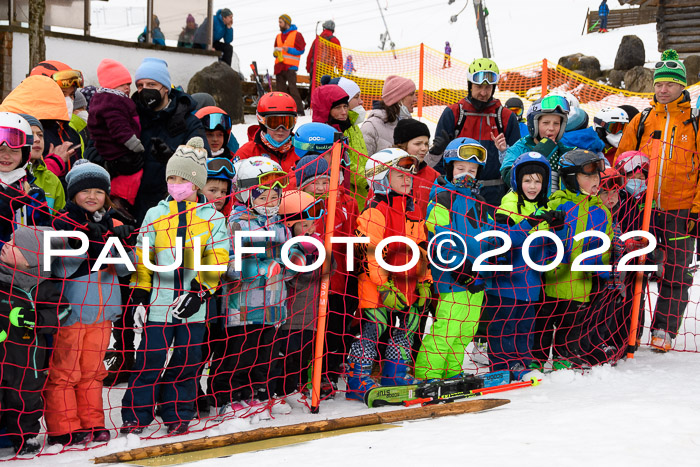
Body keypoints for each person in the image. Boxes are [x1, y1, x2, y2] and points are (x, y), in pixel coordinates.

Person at [120, 137, 227, 435]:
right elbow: (144, 253)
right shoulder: (156, 214)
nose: (175, 184)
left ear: (196, 184)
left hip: (193, 308)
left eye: (182, 179)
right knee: (150, 359)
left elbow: (217, 257)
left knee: (187, 361)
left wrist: (200, 291)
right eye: (172, 178)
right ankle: (136, 415)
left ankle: (178, 412)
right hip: (159, 303)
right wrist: (140, 290)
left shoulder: (213, 218)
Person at [45, 161, 134, 446]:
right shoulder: (61, 223)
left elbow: (125, 270)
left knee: (94, 370)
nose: (92, 196)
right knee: (66, 369)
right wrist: (83, 245)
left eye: (98, 191)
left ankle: (92, 421)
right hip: (71, 310)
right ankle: (63, 425)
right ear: (73, 194)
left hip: (103, 310)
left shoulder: (113, 222)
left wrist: (121, 243)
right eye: (85, 191)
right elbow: (58, 269)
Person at [616, 49, 700, 352]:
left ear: (682, 86)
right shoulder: (642, 120)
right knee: (633, 265)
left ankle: (664, 329)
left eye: (669, 84)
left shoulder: (694, 122)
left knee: (677, 270)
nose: (662, 90)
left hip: (680, 208)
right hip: (642, 208)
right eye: (658, 84)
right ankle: (628, 327)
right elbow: (622, 160)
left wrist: (697, 209)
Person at [214, 157, 296, 420]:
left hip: (273, 305)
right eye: (263, 196)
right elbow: (228, 265)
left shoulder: (281, 225)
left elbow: (288, 260)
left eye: (276, 195)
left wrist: (295, 261)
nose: (271, 201)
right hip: (244, 306)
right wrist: (261, 269)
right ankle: (230, 397)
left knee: (267, 353)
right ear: (247, 194)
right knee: (240, 354)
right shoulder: (236, 223)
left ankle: (261, 393)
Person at [346, 148, 429, 399]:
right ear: (381, 177)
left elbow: (421, 248)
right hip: (376, 285)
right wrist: (383, 286)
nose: (408, 178)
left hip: (408, 283)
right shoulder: (374, 211)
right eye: (400, 174)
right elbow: (370, 253)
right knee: (374, 329)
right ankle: (358, 378)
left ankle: (396, 372)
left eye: (411, 173)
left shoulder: (412, 211)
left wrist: (425, 281)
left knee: (408, 327)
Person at [414, 138, 490, 381]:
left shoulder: (480, 203)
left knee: (465, 331)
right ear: (449, 168)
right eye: (460, 169)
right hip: (453, 278)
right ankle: (429, 374)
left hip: (477, 279)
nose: (466, 175)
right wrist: (460, 268)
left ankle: (452, 372)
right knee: (446, 329)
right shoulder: (443, 197)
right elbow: (439, 236)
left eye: (472, 170)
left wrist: (486, 267)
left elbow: (487, 238)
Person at [533, 149, 612, 369]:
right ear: (570, 178)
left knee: (571, 328)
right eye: (587, 175)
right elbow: (536, 234)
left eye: (597, 175)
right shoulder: (557, 205)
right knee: (543, 326)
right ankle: (536, 361)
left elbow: (605, 245)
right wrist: (550, 224)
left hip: (581, 285)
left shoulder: (602, 212)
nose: (595, 179)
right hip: (552, 284)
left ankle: (564, 360)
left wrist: (602, 272)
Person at [487, 152, 562, 378]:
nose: (532, 186)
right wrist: (530, 222)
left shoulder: (543, 208)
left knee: (525, 329)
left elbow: (552, 253)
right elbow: (504, 243)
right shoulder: (506, 207)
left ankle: (522, 364)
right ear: (517, 182)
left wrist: (559, 229)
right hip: (507, 286)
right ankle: (501, 367)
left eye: (538, 181)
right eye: (527, 180)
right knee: (504, 328)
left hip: (531, 285)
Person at [0, 226, 71, 455]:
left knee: (27, 399)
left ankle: (27, 436)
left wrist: (36, 318)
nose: (6, 244)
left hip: (28, 361)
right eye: (10, 239)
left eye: (14, 244)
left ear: (31, 259)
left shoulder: (43, 288)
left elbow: (63, 311)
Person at [425, 58, 520, 209]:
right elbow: (438, 161)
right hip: (458, 192)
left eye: (488, 87)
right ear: (470, 85)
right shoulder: (454, 113)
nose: (483, 92)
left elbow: (516, 160)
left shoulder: (506, 117)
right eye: (479, 86)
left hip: (495, 194)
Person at [130, 57, 208, 224]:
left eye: (151, 85)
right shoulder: (129, 117)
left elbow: (202, 159)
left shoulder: (188, 121)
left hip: (173, 207)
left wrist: (172, 158)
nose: (144, 90)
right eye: (140, 86)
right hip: (132, 206)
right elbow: (96, 147)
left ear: (165, 88)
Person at [275, 190, 327, 396]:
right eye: (304, 225)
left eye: (313, 224)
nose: (311, 229)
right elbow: (296, 278)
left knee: (304, 355)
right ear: (290, 226)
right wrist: (307, 257)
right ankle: (282, 392)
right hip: (290, 318)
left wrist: (321, 253)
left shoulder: (317, 244)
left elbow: (331, 266)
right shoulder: (288, 248)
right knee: (288, 356)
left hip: (310, 317)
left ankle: (296, 388)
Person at [88, 58, 144, 218]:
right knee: (131, 175)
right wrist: (135, 145)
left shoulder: (110, 100)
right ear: (111, 86)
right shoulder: (113, 102)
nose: (127, 87)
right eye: (122, 84)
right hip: (119, 150)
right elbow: (119, 128)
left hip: (116, 150)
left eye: (128, 83)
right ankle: (120, 201)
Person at [0, 74, 81, 172]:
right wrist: (54, 163)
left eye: (72, 95)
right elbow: (22, 180)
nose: (37, 139)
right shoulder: (11, 131)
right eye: (63, 94)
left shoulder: (71, 133)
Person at [501, 94, 575, 194]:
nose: (551, 128)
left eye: (556, 123)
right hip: (529, 208)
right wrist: (538, 153)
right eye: (546, 123)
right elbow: (509, 177)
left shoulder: (566, 152)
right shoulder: (519, 149)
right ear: (534, 125)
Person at [311, 83, 369, 208]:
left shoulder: (351, 126)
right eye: (338, 108)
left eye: (345, 106)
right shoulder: (319, 135)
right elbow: (345, 165)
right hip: (331, 197)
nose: (344, 112)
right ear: (326, 109)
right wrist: (368, 179)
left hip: (356, 195)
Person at [0, 113, 51, 248]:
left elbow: (44, 236)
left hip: (23, 266)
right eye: (1, 149)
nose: (6, 156)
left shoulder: (33, 193)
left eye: (14, 151)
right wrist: (3, 207)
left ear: (25, 154)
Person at [235, 92, 300, 175]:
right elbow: (233, 182)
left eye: (287, 123)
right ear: (263, 123)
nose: (280, 129)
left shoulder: (300, 151)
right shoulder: (248, 153)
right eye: (274, 123)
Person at [20, 114, 66, 214]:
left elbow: (58, 223)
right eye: (30, 135)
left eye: (40, 135)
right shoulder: (5, 175)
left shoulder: (53, 180)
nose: (37, 139)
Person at [393, 118, 438, 218]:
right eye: (418, 144)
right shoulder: (387, 173)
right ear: (402, 145)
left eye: (426, 144)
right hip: (393, 231)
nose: (424, 148)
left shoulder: (434, 176)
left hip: (422, 231)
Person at [361, 75, 416, 156]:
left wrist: (435, 153)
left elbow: (419, 165)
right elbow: (362, 164)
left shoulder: (410, 125)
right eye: (411, 94)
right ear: (398, 99)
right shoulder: (371, 127)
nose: (415, 99)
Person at [274, 14, 306, 116]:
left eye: (281, 22)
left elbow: (301, 50)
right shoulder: (278, 36)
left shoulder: (297, 35)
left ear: (287, 23)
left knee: (293, 89)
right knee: (280, 91)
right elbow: (275, 50)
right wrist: (275, 53)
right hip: (279, 67)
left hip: (291, 67)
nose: (279, 24)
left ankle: (300, 111)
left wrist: (289, 50)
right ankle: (282, 110)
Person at [307, 20, 342, 88]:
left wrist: (308, 69)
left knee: (314, 89)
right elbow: (339, 57)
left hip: (315, 70)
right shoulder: (334, 40)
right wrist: (340, 70)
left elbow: (310, 56)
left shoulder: (317, 40)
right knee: (327, 88)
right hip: (328, 71)